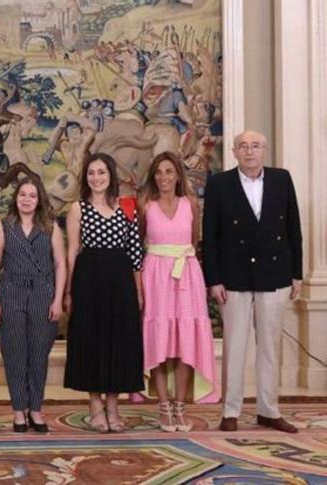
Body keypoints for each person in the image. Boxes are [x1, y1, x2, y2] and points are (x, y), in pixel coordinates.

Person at [204, 130, 301, 434]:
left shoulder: (282, 180)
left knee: (269, 346)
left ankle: (268, 410)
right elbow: (210, 238)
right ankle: (230, 411)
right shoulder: (219, 184)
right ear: (234, 151)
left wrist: (296, 273)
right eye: (243, 146)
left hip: (275, 275)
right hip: (233, 278)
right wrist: (213, 279)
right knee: (234, 346)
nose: (250, 151)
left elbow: (294, 230)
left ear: (265, 150)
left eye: (256, 146)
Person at [63, 153, 144, 433]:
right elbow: (72, 250)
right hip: (89, 280)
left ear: (111, 176)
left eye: (101, 173)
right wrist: (69, 290)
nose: (96, 178)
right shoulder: (78, 208)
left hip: (121, 281)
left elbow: (135, 253)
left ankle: (113, 406)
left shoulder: (127, 206)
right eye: (91, 173)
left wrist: (139, 291)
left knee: (119, 342)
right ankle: (95, 407)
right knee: (92, 341)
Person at [139, 151, 218, 432]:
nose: (163, 177)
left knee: (185, 340)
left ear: (177, 175)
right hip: (156, 275)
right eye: (159, 172)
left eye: (169, 171)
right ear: (153, 177)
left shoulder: (191, 204)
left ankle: (180, 406)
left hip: (187, 275)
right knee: (160, 339)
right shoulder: (145, 206)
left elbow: (195, 242)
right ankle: (163, 406)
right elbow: (139, 244)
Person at [0, 176, 66, 433]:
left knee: (38, 355)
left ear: (39, 199)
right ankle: (19, 411)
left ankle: (36, 409)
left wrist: (57, 299)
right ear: (16, 197)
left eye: (32, 195)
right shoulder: (4, 226)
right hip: (11, 292)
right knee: (14, 353)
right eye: (22, 194)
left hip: (43, 294)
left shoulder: (50, 227)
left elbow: (60, 264)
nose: (27, 200)